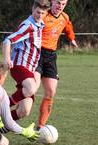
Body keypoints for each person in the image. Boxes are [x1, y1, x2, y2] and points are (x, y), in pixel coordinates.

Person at [2, 0, 50, 121]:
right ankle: (0, 107)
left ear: (46, 13)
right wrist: (7, 59)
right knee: (31, 88)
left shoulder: (40, 25)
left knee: (24, 110)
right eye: (38, 12)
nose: (40, 15)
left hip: (29, 70)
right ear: (33, 9)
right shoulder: (28, 26)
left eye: (42, 13)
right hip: (20, 66)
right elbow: (7, 41)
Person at [35, 0, 78, 129]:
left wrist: (71, 39)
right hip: (36, 54)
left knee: (51, 92)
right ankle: (6, 113)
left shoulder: (65, 17)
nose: (60, 6)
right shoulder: (43, 15)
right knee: (31, 89)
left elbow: (68, 28)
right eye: (58, 3)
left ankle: (40, 127)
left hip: (51, 57)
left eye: (63, 4)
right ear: (52, 2)